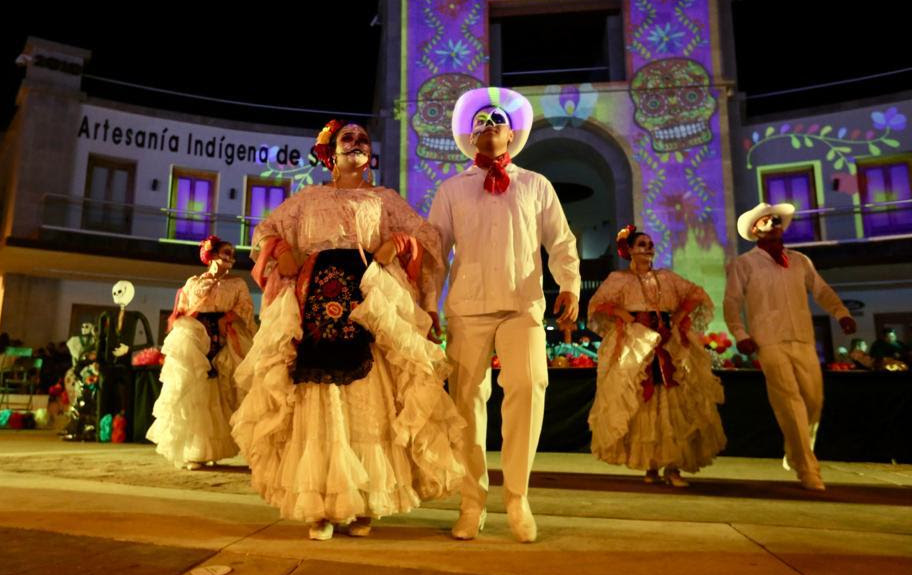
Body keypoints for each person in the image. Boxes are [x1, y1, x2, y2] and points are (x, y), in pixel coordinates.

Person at [232, 120, 464, 541]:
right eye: (348, 139)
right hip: (313, 302)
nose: (357, 144)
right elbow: (266, 230)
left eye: (363, 140)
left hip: (367, 302)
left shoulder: (384, 199)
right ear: (330, 153)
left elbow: (427, 236)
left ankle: (363, 502)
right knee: (316, 397)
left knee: (366, 399)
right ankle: (319, 505)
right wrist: (281, 249)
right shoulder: (308, 199)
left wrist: (400, 244)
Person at [428, 87, 580, 543]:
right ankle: (471, 501)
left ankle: (517, 497)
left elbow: (561, 241)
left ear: (512, 134)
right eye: (481, 122)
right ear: (469, 136)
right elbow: (435, 252)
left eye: (497, 121)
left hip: (522, 304)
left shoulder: (535, 184)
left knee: (530, 387)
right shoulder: (452, 189)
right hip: (468, 307)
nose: (490, 126)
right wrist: (426, 303)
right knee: (466, 403)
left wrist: (569, 285)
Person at [724, 202, 857, 491]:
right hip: (768, 339)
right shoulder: (743, 264)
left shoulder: (800, 261)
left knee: (813, 400)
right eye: (767, 221)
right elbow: (732, 301)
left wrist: (841, 313)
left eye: (776, 220)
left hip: (803, 337)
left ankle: (797, 452)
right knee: (789, 401)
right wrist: (740, 333)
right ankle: (808, 468)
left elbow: (821, 290)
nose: (774, 224)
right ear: (756, 229)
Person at [588, 226, 726, 486]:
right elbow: (597, 304)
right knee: (642, 400)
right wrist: (622, 313)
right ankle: (651, 465)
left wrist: (679, 316)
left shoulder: (667, 277)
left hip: (667, 341)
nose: (648, 248)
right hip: (637, 343)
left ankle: (673, 468)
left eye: (650, 244)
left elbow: (696, 294)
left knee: (673, 399)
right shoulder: (619, 279)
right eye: (641, 244)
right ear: (629, 250)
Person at [148, 238, 255, 469]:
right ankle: (192, 451)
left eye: (233, 254)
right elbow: (183, 309)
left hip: (225, 336)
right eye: (226, 252)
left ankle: (210, 450)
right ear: (212, 255)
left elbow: (245, 308)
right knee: (193, 389)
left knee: (219, 392)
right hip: (196, 337)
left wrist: (228, 319)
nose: (231, 258)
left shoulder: (237, 284)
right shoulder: (193, 282)